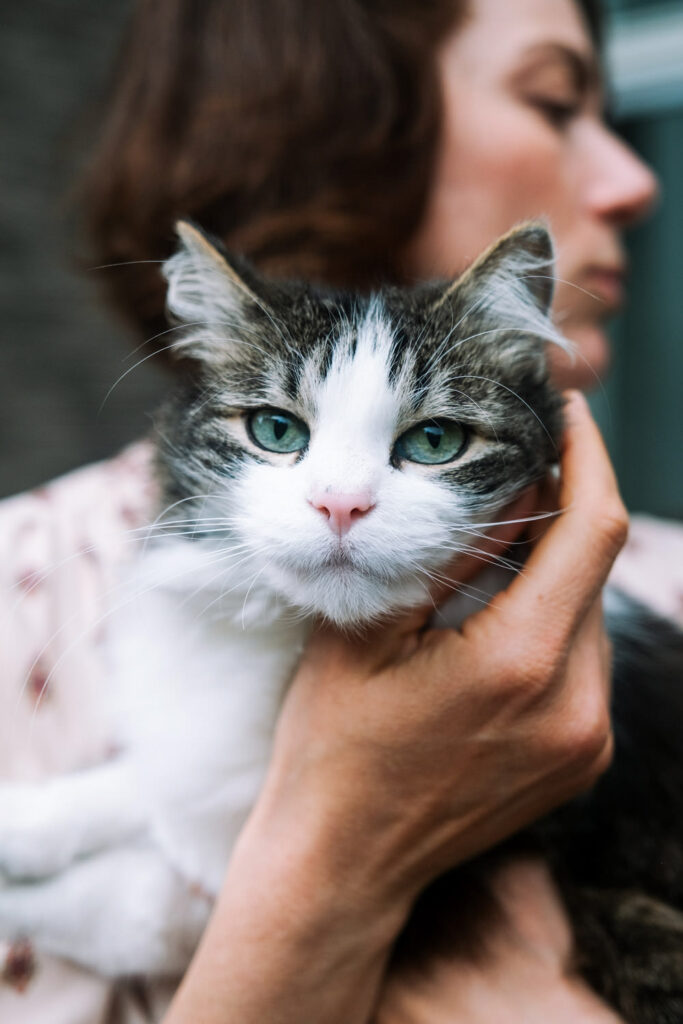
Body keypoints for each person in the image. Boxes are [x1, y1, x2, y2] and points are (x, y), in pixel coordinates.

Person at [0, 0, 674, 1022]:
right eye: (550, 101)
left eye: (432, 438)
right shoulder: (29, 589)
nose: (635, 180)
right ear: (329, 114)